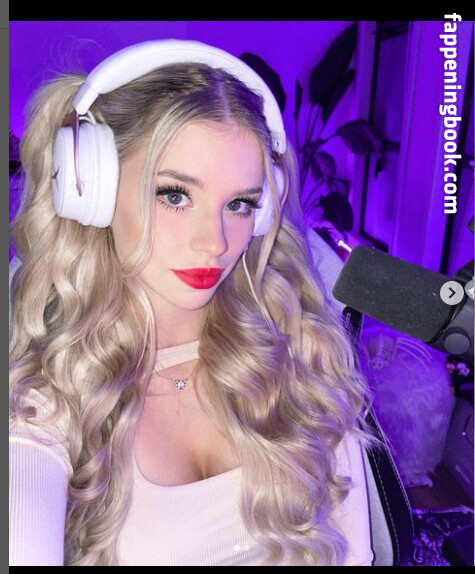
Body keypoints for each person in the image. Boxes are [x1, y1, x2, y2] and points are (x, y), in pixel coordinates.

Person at [9, 40, 384, 566]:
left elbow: (357, 555)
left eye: (240, 204)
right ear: (92, 189)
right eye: (175, 195)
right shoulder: (50, 407)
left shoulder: (302, 355)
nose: (215, 242)